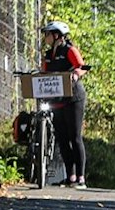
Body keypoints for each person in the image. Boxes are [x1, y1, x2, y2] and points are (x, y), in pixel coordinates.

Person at [38, 21, 89, 188]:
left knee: (74, 137)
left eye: (48, 34)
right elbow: (44, 73)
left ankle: (81, 177)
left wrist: (75, 75)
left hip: (73, 98)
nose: (45, 37)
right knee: (62, 138)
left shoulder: (69, 50)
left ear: (57, 35)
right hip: (56, 100)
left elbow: (81, 67)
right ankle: (70, 176)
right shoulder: (47, 54)